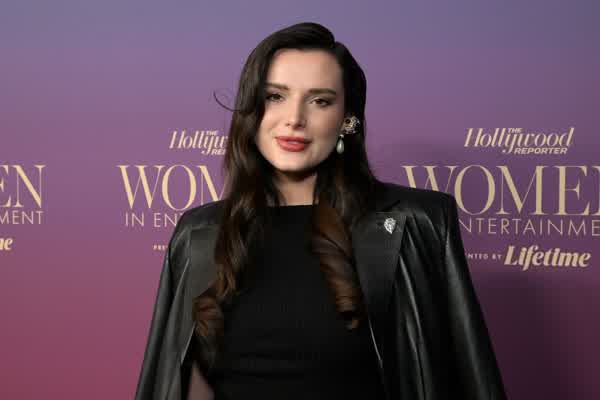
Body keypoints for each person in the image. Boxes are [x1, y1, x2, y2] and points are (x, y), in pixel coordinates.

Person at [134, 22, 507, 400]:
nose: (294, 118)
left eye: (320, 101)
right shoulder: (198, 233)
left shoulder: (419, 222)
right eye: (275, 96)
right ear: (252, 111)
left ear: (347, 120)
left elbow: (471, 379)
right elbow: (169, 382)